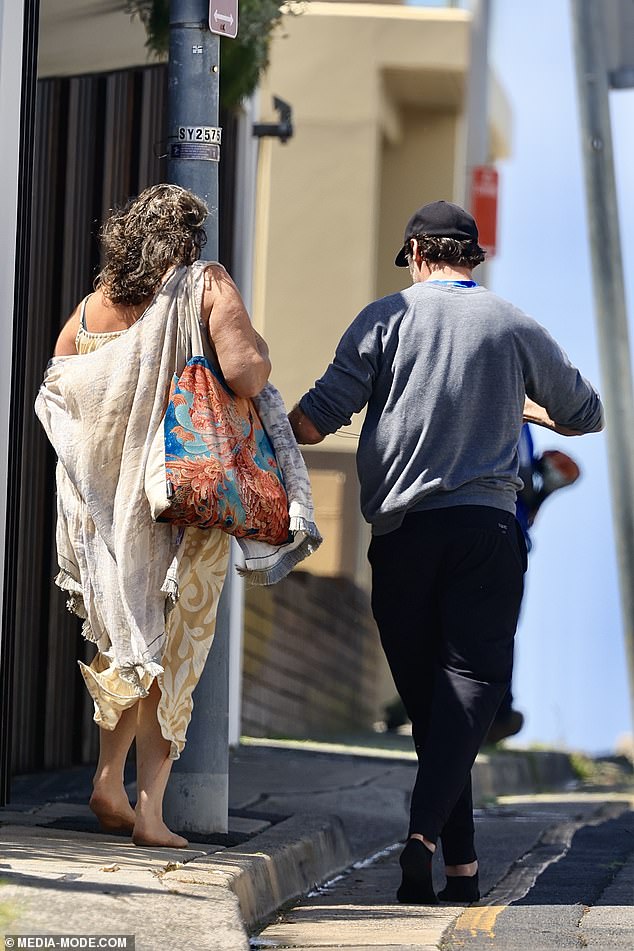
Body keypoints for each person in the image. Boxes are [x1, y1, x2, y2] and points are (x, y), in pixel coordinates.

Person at [288, 200, 603, 904]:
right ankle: (429, 842)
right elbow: (588, 413)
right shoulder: (514, 323)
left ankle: (454, 865)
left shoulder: (382, 319)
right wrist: (521, 405)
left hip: (402, 537)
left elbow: (310, 422)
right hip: (486, 534)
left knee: (434, 705)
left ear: (417, 255)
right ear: (472, 257)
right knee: (466, 692)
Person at [37, 184, 271, 848]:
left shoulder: (90, 309)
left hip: (97, 507)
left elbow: (61, 385)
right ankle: (151, 811)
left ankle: (109, 780)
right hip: (176, 499)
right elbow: (246, 372)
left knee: (125, 642)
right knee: (175, 654)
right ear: (190, 242)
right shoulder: (205, 285)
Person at [486, 424, 581, 743]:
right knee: (497, 630)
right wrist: (538, 486)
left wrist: (542, 491)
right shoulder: (514, 415)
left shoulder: (517, 419)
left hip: (496, 526)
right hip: (501, 530)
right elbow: (521, 477)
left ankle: (492, 715)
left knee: (488, 629)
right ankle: (495, 715)